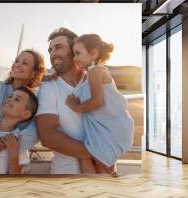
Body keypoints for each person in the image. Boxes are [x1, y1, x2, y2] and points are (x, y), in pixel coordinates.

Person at [65, 34, 134, 173]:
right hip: (101, 130)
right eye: (74, 54)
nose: (74, 58)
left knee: (102, 168)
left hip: (110, 130)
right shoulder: (89, 73)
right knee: (95, 164)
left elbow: (97, 102)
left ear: (93, 53)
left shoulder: (96, 71)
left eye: (78, 53)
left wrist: (76, 107)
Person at [36, 27, 96, 174]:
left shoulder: (94, 79)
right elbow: (48, 137)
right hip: (67, 173)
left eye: (58, 47)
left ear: (75, 49)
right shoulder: (49, 88)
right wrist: (96, 153)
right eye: (50, 50)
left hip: (106, 168)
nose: (52, 54)